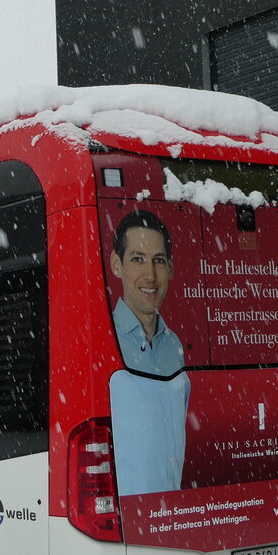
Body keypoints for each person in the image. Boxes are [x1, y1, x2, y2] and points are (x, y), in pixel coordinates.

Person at [108, 210, 190, 495]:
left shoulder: (175, 346)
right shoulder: (104, 341)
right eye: (138, 259)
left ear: (170, 269)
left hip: (171, 515)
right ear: (117, 265)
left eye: (159, 261)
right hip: (128, 519)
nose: (151, 275)